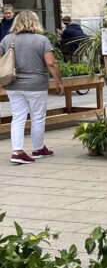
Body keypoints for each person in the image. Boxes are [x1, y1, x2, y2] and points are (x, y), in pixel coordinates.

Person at [0, 11, 63, 164]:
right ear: (35, 22)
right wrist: (59, 82)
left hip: (13, 84)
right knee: (37, 117)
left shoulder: (7, 39)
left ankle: (17, 151)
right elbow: (51, 63)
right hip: (36, 85)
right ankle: (38, 148)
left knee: (18, 117)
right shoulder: (42, 40)